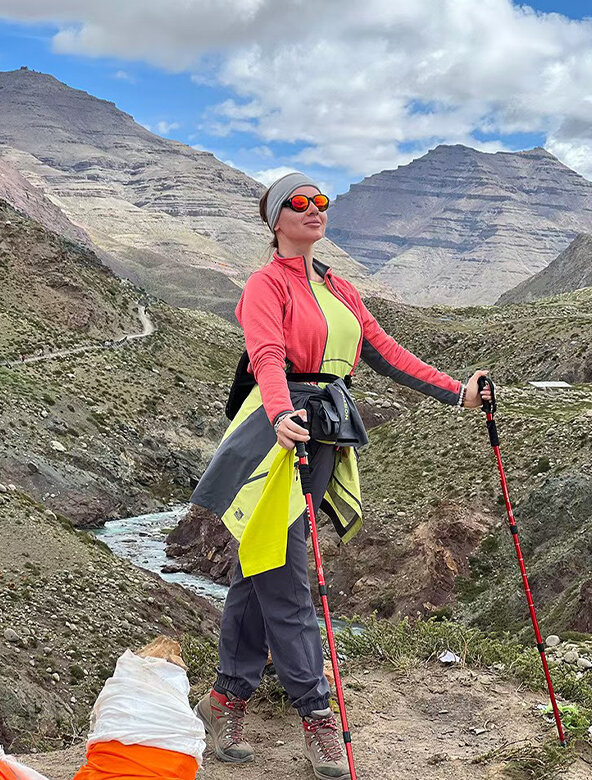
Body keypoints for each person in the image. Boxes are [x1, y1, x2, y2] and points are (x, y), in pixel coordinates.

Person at [192, 171, 492, 779]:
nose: (315, 209)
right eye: (300, 203)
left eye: (321, 201)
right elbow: (267, 356)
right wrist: (280, 415)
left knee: (260, 568)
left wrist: (456, 391)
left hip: (323, 430)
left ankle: (225, 698)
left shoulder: (341, 288)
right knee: (287, 575)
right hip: (275, 437)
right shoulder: (264, 285)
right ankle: (316, 713)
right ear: (276, 219)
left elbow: (385, 352)